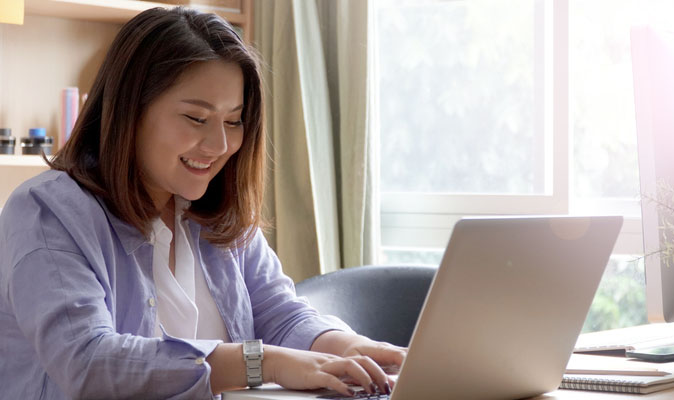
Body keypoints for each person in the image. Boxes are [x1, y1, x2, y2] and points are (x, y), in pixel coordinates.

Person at [0, 7, 405, 399]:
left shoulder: (213, 211)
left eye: (233, 121)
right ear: (130, 111)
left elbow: (280, 315)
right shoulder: (45, 213)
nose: (220, 145)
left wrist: (348, 347)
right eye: (197, 118)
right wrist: (262, 362)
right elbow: (90, 363)